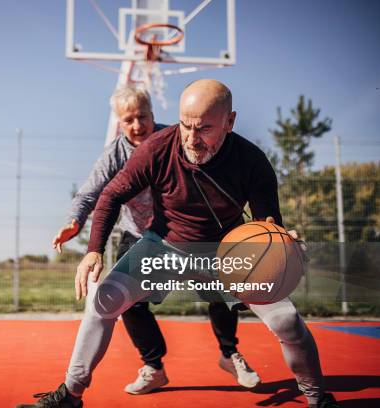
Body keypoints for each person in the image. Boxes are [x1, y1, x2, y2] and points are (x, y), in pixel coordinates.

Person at [17, 79, 338, 408]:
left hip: (227, 253)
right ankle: (70, 395)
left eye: (203, 129)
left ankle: (318, 399)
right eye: (186, 125)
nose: (191, 138)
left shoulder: (251, 161)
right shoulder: (158, 147)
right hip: (164, 248)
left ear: (230, 122)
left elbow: (268, 225)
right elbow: (111, 194)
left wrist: (283, 244)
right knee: (101, 301)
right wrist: (93, 250)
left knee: (287, 321)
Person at [51, 85, 259, 395]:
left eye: (143, 116)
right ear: (119, 122)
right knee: (127, 303)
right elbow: (92, 192)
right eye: (128, 120)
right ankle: (153, 365)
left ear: (153, 114)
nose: (137, 126)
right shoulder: (115, 154)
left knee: (220, 295)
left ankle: (229, 354)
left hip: (190, 235)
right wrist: (75, 220)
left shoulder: (178, 140)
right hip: (139, 235)